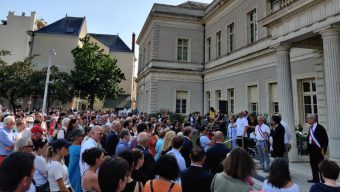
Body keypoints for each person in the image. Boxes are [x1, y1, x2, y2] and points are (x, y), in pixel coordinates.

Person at [306, 113, 329, 183]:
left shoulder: (320, 128)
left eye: (308, 118)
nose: (307, 120)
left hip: (318, 150)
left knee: (320, 165)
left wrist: (324, 149)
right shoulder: (310, 128)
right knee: (313, 165)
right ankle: (315, 179)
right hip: (311, 150)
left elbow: (325, 139)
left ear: (313, 119)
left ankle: (323, 180)